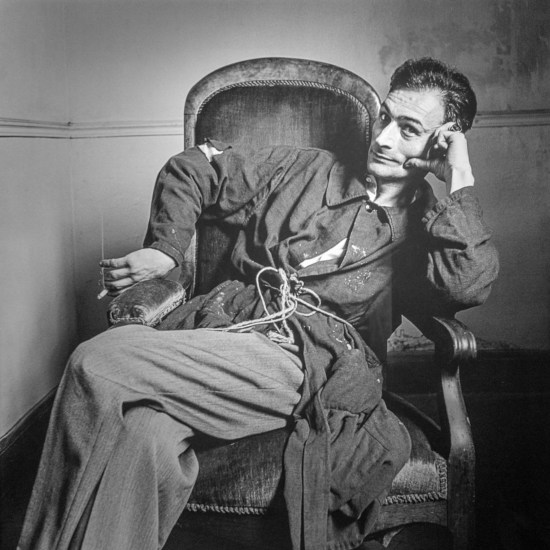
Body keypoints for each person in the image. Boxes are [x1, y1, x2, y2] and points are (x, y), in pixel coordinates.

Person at [17, 57, 498, 550]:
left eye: (409, 130)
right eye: (385, 118)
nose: (384, 138)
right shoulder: (304, 168)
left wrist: (458, 176)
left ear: (440, 143)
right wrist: (166, 249)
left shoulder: (430, 224)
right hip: (226, 328)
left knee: (95, 362)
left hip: (310, 362)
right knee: (144, 436)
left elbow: (467, 286)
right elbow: (195, 167)